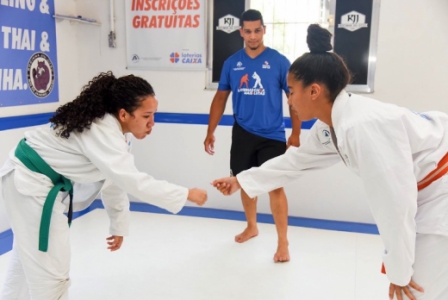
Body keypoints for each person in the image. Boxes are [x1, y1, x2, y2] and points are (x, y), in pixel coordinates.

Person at [212, 24, 448, 300]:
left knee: (418, 290)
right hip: (426, 191)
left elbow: (395, 204)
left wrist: (398, 272)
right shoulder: (333, 124)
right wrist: (241, 180)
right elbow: (295, 162)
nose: (289, 99)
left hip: (439, 192)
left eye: (291, 90)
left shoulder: (361, 127)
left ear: (314, 91)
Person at [0, 71, 208, 300]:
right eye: (147, 115)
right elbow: (133, 181)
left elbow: (115, 180)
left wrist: (118, 225)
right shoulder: (102, 129)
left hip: (28, 181)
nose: (152, 124)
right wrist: (186, 193)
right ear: (124, 114)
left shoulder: (118, 133)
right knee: (51, 276)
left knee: (27, 261)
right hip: (31, 184)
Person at [204, 9, 302, 263]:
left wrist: (296, 132)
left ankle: (283, 243)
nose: (253, 35)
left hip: (273, 135)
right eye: (248, 31)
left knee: (274, 187)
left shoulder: (279, 61)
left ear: (264, 30)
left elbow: (293, 99)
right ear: (241, 32)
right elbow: (221, 97)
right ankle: (252, 226)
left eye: (257, 30)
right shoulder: (232, 63)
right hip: (243, 132)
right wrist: (210, 131)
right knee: (245, 183)